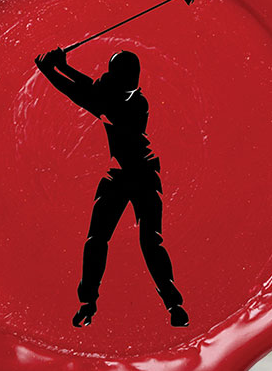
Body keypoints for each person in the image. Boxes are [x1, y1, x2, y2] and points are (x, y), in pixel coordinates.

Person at [34, 46, 186, 328]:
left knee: (149, 241)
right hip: (123, 173)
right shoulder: (123, 95)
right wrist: (62, 67)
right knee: (98, 240)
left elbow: (83, 94)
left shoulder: (132, 104)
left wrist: (49, 71)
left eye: (112, 73)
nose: (106, 76)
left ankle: (173, 304)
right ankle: (87, 303)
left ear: (122, 78)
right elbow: (91, 87)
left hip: (140, 174)